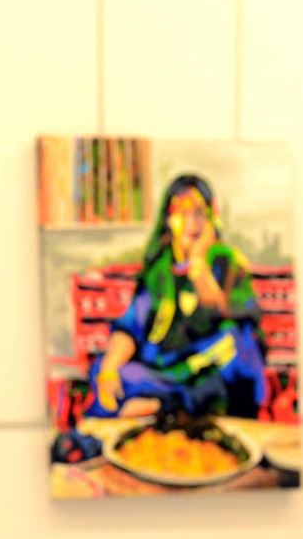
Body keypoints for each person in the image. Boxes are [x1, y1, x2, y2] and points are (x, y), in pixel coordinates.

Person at [88, 174, 267, 419]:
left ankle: (166, 407)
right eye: (181, 213)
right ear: (168, 220)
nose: (191, 223)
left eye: (198, 213)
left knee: (239, 348)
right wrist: (109, 370)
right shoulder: (159, 271)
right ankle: (164, 404)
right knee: (107, 369)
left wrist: (197, 263)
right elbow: (132, 327)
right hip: (167, 371)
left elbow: (227, 313)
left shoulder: (225, 260)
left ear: (211, 217)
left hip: (213, 367)